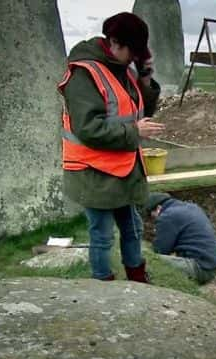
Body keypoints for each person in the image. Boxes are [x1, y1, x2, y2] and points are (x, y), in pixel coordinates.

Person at [58, 12, 165, 282]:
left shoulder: (124, 70)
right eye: (133, 51)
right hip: (94, 172)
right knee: (102, 234)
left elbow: (141, 110)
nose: (134, 58)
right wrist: (134, 131)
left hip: (123, 168)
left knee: (133, 229)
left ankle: (137, 277)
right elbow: (88, 128)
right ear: (115, 42)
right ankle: (103, 284)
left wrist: (145, 79)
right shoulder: (85, 73)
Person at [145, 192, 216, 284]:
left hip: (200, 268)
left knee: (150, 261)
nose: (154, 220)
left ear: (158, 208)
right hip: (211, 266)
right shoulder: (192, 207)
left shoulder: (167, 216)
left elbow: (160, 250)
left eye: (152, 216)